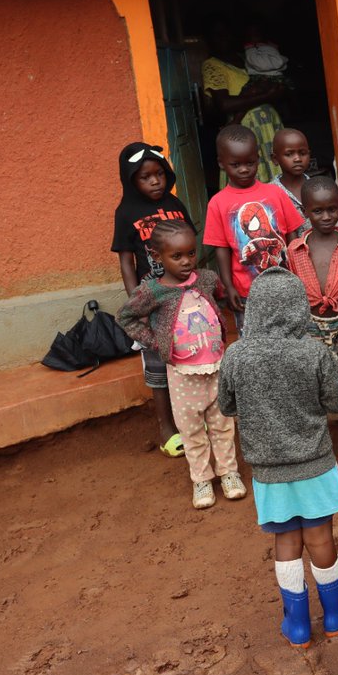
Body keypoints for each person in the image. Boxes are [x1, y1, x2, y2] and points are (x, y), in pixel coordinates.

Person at [218, 266, 338, 648]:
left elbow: (226, 405)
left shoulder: (236, 355)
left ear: (255, 311)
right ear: (300, 309)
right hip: (314, 465)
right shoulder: (314, 353)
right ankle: (334, 614)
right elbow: (336, 402)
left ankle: (297, 625)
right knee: (320, 536)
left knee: (285, 541)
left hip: (268, 473)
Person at [116, 219, 243, 509]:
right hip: (183, 375)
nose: (186, 262)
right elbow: (125, 318)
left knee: (223, 425)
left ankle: (229, 472)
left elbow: (218, 298)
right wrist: (156, 341)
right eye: (177, 256)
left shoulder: (206, 279)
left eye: (191, 253)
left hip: (216, 367)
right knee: (192, 430)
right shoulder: (152, 291)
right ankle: (201, 478)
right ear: (157, 257)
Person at [110, 142, 193, 457]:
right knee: (158, 365)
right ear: (131, 179)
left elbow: (189, 249)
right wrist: (138, 304)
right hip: (153, 300)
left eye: (159, 174)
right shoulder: (126, 213)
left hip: (183, 295)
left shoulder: (175, 203)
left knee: (188, 354)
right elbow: (126, 263)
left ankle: (193, 417)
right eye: (146, 177)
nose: (156, 182)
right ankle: (167, 428)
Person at [286, 177, 338, 478]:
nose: (326, 217)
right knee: (312, 387)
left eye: (332, 210)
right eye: (318, 211)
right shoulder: (295, 251)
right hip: (311, 327)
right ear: (306, 212)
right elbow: (294, 295)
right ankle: (317, 446)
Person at [203, 124, 305, 331]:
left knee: (290, 334)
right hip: (246, 291)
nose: (244, 169)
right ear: (221, 164)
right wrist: (228, 286)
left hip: (284, 285)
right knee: (252, 340)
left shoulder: (275, 193)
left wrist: (298, 273)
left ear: (258, 159)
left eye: (250, 162)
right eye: (235, 164)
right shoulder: (217, 203)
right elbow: (220, 249)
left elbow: (293, 236)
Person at [202, 21, 285, 185]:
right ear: (209, 40)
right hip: (246, 129)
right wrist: (265, 96)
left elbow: (276, 85)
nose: (224, 38)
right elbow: (225, 104)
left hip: (269, 124)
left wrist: (268, 92)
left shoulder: (248, 56)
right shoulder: (212, 65)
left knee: (278, 170)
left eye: (227, 33)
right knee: (250, 173)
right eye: (217, 35)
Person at [270, 128, 313, 238]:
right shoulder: (270, 193)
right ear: (275, 159)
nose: (297, 158)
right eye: (289, 154)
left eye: (302, 153)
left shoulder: (317, 187)